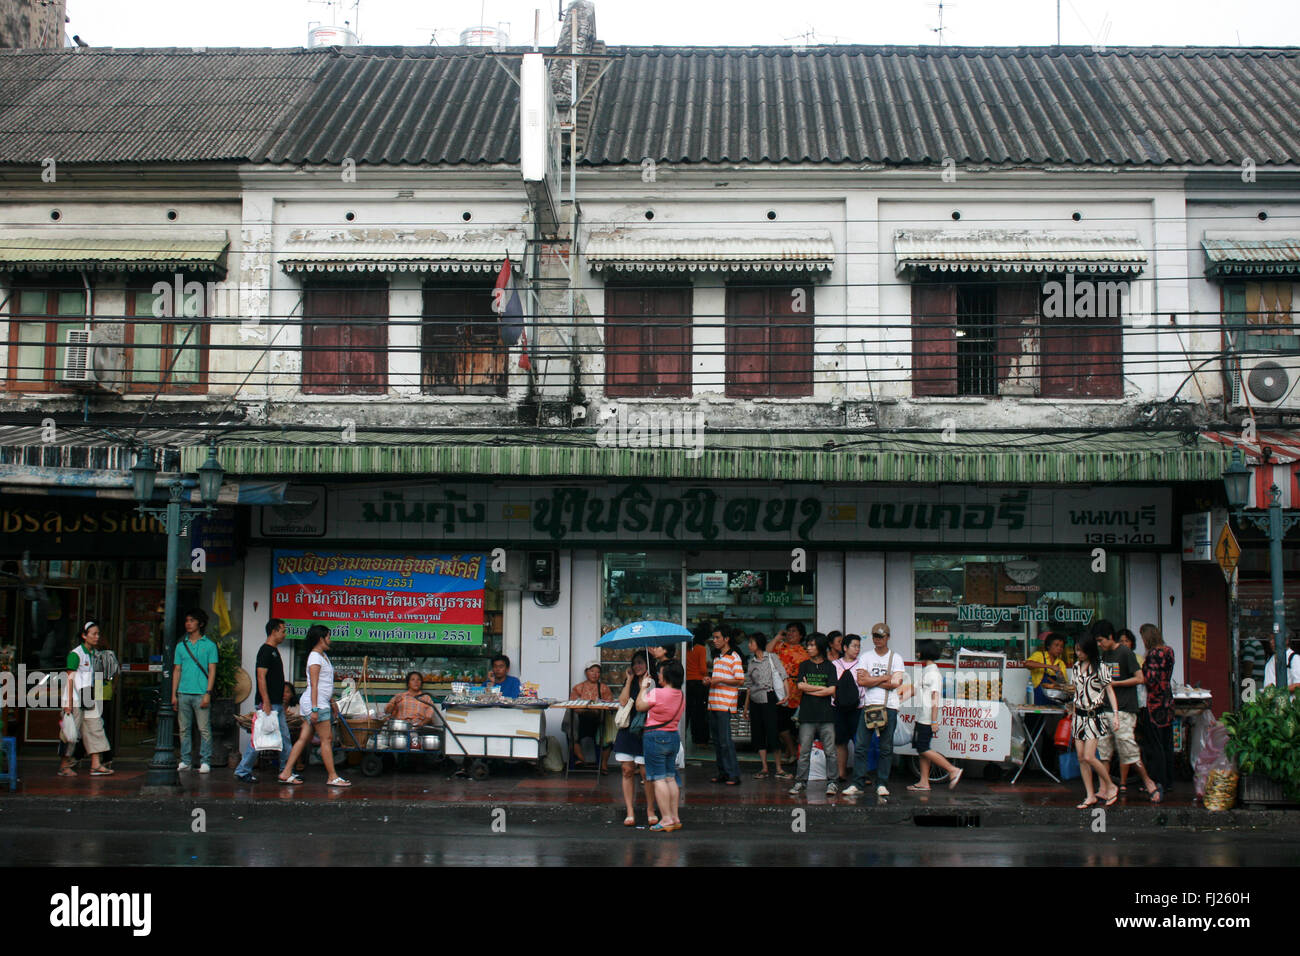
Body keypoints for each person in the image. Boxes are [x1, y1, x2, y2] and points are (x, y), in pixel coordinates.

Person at [1095, 620, 1160, 801]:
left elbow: (1140, 678)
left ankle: (1149, 783)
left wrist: (1116, 683)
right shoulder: (1104, 655)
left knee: (1128, 748)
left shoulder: (1125, 653)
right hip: (1105, 708)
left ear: (1110, 637)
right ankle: (1104, 787)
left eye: (1101, 640)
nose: (1099, 644)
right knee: (1104, 751)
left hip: (1124, 709)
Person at [277, 624, 349, 787]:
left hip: (319, 702)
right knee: (326, 739)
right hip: (315, 704)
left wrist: (332, 703)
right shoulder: (315, 658)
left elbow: (325, 685)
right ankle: (332, 776)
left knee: (303, 738)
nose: (330, 639)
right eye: (328, 636)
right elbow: (314, 685)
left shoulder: (322, 656)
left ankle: (286, 771)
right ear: (320, 639)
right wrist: (315, 709)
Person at [845, 622, 905, 802]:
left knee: (886, 747)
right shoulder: (865, 657)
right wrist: (884, 677)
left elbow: (896, 683)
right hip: (869, 705)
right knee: (861, 745)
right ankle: (858, 782)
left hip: (889, 706)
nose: (877, 640)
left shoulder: (896, 658)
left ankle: (882, 783)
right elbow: (861, 681)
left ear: (888, 637)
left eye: (881, 636)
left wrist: (873, 679)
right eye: (875, 636)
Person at [235, 618, 294, 783]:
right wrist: (266, 701)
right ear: (274, 631)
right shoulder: (266, 651)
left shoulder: (274, 651)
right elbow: (261, 677)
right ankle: (243, 770)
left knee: (284, 738)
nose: (284, 634)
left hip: (276, 703)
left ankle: (285, 770)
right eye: (282, 630)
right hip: (269, 704)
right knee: (259, 739)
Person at [1070, 633, 1120, 809]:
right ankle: (1090, 795)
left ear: (1089, 651)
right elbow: (1076, 691)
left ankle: (1110, 785)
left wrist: (1115, 714)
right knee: (1081, 757)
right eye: (1077, 650)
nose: (1078, 654)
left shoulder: (1100, 668)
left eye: (1081, 651)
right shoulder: (1076, 667)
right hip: (1079, 716)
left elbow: (1110, 691)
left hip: (1094, 716)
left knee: (1090, 756)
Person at [907, 640, 963, 792]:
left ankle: (952, 770)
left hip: (926, 718)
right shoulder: (926, 670)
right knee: (922, 750)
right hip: (921, 716)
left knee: (923, 748)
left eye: (919, 650)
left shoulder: (934, 674)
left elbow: (935, 697)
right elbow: (913, 689)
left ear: (925, 652)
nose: (917, 653)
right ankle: (924, 781)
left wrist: (933, 720)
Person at [637, 659, 686, 832]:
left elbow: (640, 705)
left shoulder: (657, 693)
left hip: (655, 737)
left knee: (658, 779)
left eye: (660, 672)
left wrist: (643, 687)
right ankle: (674, 816)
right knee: (670, 777)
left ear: (666, 676)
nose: (658, 675)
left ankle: (665, 819)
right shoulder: (680, 695)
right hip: (673, 737)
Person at [59, 621, 111, 777]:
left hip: (88, 697)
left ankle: (96, 764)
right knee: (70, 733)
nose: (97, 637)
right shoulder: (76, 654)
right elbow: (69, 679)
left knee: (95, 728)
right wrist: (68, 703)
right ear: (84, 635)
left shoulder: (94, 654)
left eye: (98, 634)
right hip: (74, 698)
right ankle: (64, 765)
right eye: (94, 634)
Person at [789, 633, 838, 796]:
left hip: (826, 716)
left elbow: (832, 690)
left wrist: (812, 689)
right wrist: (822, 690)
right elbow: (801, 686)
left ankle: (832, 782)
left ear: (820, 647)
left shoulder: (830, 667)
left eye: (812, 645)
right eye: (807, 645)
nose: (808, 648)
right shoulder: (804, 665)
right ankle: (800, 781)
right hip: (807, 715)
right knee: (804, 751)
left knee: (831, 751)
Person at [613, 652, 659, 826]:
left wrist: (644, 687)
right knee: (627, 770)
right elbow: (623, 702)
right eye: (635, 663)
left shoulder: (653, 683)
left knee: (646, 773)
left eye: (640, 663)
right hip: (627, 730)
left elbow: (648, 705)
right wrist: (630, 680)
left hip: (646, 731)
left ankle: (650, 809)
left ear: (648, 664)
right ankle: (630, 811)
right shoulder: (630, 681)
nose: (637, 666)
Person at [171, 608, 217, 774]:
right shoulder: (181, 646)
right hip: (183, 691)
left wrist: (208, 692)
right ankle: (185, 760)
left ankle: (205, 760)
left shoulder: (210, 645)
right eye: (187, 621)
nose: (188, 624)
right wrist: (174, 694)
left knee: (203, 728)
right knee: (184, 729)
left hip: (201, 692)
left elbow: (212, 670)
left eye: (192, 620)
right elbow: (177, 670)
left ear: (200, 623)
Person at [743, 632, 789, 779]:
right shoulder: (751, 662)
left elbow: (783, 676)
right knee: (758, 732)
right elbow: (749, 687)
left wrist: (786, 695)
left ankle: (779, 768)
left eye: (751, 642)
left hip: (770, 698)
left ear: (758, 643)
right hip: (756, 700)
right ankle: (764, 767)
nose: (749, 645)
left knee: (773, 731)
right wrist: (746, 707)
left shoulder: (772, 657)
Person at [705, 627, 745, 785]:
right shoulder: (717, 657)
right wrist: (709, 680)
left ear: (726, 639)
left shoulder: (734, 657)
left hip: (725, 704)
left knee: (725, 741)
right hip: (713, 703)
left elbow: (740, 679)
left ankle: (733, 774)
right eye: (713, 638)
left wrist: (718, 681)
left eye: (717, 637)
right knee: (717, 741)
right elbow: (719, 678)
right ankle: (723, 772)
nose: (714, 641)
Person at [1139, 623, 1175, 797]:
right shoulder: (1169, 651)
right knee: (1167, 742)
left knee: (1154, 744)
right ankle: (1169, 780)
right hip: (1167, 699)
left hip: (1154, 702)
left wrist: (1139, 673)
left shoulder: (1154, 654)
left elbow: (1150, 679)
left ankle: (1157, 780)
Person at [768, 623, 809, 763]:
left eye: (794, 631)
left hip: (794, 691)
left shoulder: (804, 652)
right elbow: (767, 652)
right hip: (777, 687)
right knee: (778, 722)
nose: (790, 634)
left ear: (801, 635)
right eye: (789, 631)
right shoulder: (780, 646)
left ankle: (792, 752)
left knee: (785, 723)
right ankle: (791, 751)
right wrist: (777, 637)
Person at [831, 633, 865, 788]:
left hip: (857, 708)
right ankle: (841, 773)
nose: (857, 649)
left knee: (860, 742)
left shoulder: (862, 665)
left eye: (858, 646)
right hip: (837, 708)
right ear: (845, 648)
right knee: (840, 741)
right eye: (854, 646)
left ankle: (861, 775)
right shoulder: (834, 665)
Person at [569, 661, 613, 769]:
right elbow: (573, 705)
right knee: (569, 723)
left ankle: (603, 763)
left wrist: (597, 709)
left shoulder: (604, 688)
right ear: (586, 672)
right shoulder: (578, 688)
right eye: (592, 671)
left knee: (610, 729)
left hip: (598, 720)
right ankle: (581, 758)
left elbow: (610, 705)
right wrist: (586, 709)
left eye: (598, 672)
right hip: (581, 720)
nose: (595, 674)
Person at [1025, 632, 1070, 705]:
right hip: (1038, 702)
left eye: (1061, 647)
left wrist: (1061, 678)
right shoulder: (1039, 655)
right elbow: (1027, 664)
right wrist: (1050, 666)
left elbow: (1064, 686)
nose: (1059, 648)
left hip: (1055, 703)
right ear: (1048, 646)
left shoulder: (1061, 663)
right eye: (1056, 645)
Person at [685, 628, 711, 746]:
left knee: (687, 712)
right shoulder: (701, 649)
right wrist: (706, 676)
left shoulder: (685, 649)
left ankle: (683, 735)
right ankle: (700, 740)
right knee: (699, 713)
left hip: (686, 683)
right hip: (698, 683)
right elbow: (703, 668)